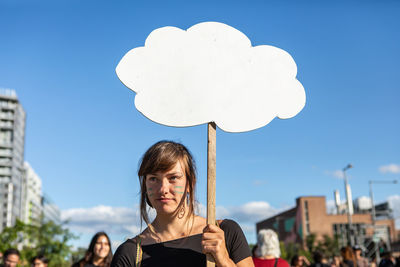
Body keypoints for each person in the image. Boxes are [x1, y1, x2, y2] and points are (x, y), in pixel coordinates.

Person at [111, 140, 254, 267]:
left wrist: (223, 260)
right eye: (154, 179)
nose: (163, 189)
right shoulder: (130, 253)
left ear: (190, 184)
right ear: (144, 186)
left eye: (173, 177)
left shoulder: (223, 233)